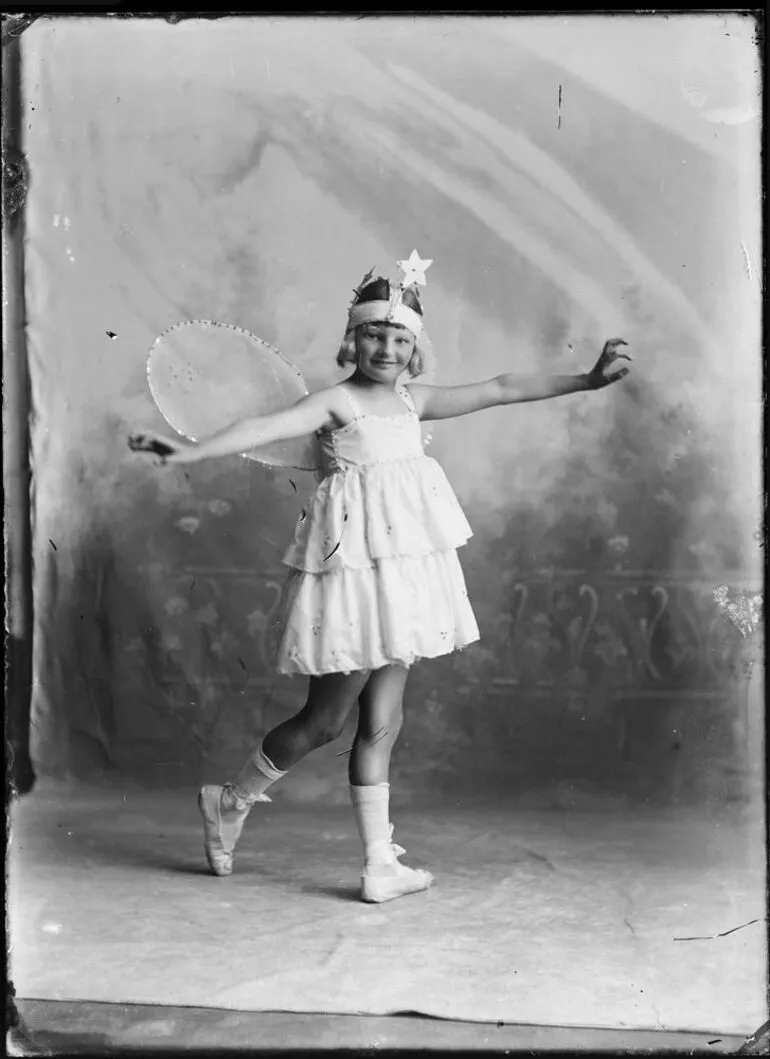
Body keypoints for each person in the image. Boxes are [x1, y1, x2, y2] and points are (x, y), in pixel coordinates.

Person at [129, 249, 631, 903]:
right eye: (374, 334)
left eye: (399, 338)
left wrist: (586, 381)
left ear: (413, 347)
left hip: (403, 584)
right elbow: (266, 425)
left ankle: (377, 864)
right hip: (353, 583)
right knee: (326, 720)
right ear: (353, 338)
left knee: (383, 722)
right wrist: (189, 450)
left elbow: (502, 386)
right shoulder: (337, 402)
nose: (386, 347)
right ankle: (230, 798)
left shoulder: (412, 403)